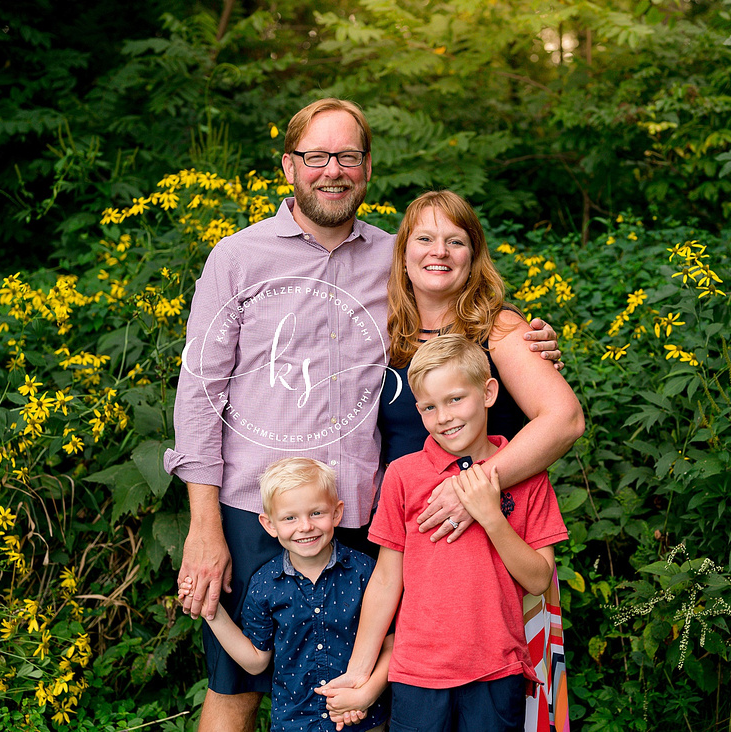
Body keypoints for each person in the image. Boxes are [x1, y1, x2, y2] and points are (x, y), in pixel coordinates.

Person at [163, 99, 561, 732]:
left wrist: (521, 338)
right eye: (317, 156)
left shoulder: (394, 260)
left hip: (360, 508)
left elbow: (458, 311)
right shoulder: (236, 259)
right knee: (236, 683)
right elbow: (199, 393)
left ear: (368, 168)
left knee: (361, 690)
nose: (333, 170)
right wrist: (204, 525)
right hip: (252, 507)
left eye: (348, 156)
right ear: (289, 166)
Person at [369, 190, 583, 731]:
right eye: (425, 238)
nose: (439, 251)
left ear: (474, 252)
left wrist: (475, 490)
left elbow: (564, 420)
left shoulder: (501, 329)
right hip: (405, 548)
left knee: (502, 709)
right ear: (402, 252)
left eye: (455, 240)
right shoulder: (380, 328)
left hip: (493, 555)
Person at [333, 334, 568, 732]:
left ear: (489, 392)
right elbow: (388, 579)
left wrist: (491, 516)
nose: (443, 417)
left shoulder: (527, 475)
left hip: (497, 669)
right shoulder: (404, 476)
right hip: (416, 674)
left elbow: (538, 579)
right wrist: (360, 671)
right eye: (428, 407)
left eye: (456, 399)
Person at [178, 458, 391, 732]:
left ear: (337, 513)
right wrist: (211, 610)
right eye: (290, 518)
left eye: (316, 513)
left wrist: (367, 694)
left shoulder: (365, 573)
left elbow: (391, 643)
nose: (305, 526)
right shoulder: (265, 586)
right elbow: (256, 662)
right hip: (296, 722)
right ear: (269, 524)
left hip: (362, 719)